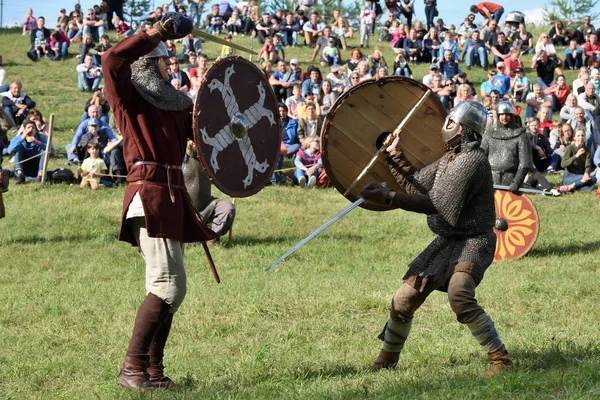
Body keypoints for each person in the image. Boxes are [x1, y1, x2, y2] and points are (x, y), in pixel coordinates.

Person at [102, 12, 218, 391]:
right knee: (169, 285)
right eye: (167, 58)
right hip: (148, 193)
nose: (173, 65)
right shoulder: (128, 97)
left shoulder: (179, 102)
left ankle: (152, 371)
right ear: (150, 63)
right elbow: (111, 60)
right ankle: (132, 368)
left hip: (171, 196)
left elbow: (205, 138)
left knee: (169, 285)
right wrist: (154, 33)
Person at [361, 101, 513, 376]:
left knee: (460, 295)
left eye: (451, 123)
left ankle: (501, 359)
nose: (446, 127)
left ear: (463, 128)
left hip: (474, 240)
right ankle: (388, 358)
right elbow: (418, 184)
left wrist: (388, 197)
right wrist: (395, 156)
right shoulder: (450, 158)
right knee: (404, 298)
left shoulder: (472, 160)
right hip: (447, 240)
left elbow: (434, 204)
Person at [183, 141, 235, 241]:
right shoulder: (177, 159)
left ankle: (211, 237)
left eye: (195, 139)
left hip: (206, 205)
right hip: (183, 211)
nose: (193, 142)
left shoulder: (208, 159)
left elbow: (224, 174)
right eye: (190, 139)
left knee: (227, 209)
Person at [481, 101, 532, 192]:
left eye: (507, 115)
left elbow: (525, 163)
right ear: (498, 115)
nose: (504, 117)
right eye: (502, 114)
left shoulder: (520, 135)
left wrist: (516, 182)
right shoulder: (489, 134)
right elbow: (481, 159)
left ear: (512, 116)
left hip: (511, 178)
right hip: (490, 179)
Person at [7, 119, 47, 184]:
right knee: (19, 148)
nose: (31, 129)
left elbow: (50, 150)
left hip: (37, 165)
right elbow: (9, 151)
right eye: (28, 128)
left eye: (33, 128)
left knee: (44, 150)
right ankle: (20, 175)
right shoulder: (18, 138)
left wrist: (37, 142)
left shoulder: (41, 137)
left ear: (35, 130)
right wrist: (22, 138)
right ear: (24, 130)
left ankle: (40, 175)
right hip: (24, 165)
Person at [559, 127, 598, 192]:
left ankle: (572, 187)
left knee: (593, 184)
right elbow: (563, 164)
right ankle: (573, 185)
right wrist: (576, 156)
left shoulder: (586, 150)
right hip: (569, 176)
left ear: (585, 137)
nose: (581, 138)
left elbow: (588, 165)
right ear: (574, 137)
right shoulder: (570, 148)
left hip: (580, 176)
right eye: (578, 136)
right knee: (592, 179)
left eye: (582, 136)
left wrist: (586, 173)